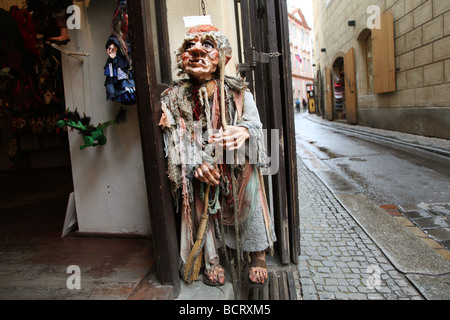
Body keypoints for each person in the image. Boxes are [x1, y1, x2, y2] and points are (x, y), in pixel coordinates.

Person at [158, 24, 276, 287]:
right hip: (205, 167)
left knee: (251, 193)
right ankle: (211, 258)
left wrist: (244, 131)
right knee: (201, 198)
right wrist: (194, 163)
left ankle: (257, 253)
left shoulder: (238, 91)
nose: (197, 50)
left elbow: (254, 124)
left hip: (236, 164)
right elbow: (174, 137)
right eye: (190, 46)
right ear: (182, 57)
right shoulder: (174, 96)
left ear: (223, 57)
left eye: (207, 45)